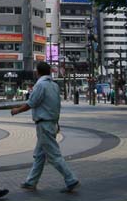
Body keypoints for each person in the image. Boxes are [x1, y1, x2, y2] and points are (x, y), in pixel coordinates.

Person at [11, 61, 80, 193]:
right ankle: (31, 181)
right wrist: (57, 123)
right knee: (40, 155)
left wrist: (16, 110)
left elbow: (31, 103)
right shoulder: (54, 85)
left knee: (54, 155)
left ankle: (71, 179)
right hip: (52, 122)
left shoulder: (40, 85)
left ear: (38, 72)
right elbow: (56, 105)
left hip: (44, 124)